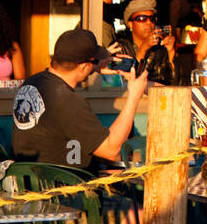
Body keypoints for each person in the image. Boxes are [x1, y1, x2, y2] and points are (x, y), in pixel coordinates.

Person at [12, 28, 148, 169]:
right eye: (93, 61)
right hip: (66, 184)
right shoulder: (70, 102)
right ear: (83, 65)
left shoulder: (31, 83)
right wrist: (134, 96)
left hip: (31, 179)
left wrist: (92, 67)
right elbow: (111, 151)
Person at [117, 0, 178, 84]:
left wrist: (171, 52)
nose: (149, 23)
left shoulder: (160, 49)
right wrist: (143, 49)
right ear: (130, 24)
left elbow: (177, 84)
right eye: (142, 19)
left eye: (152, 18)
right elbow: (121, 83)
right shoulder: (119, 47)